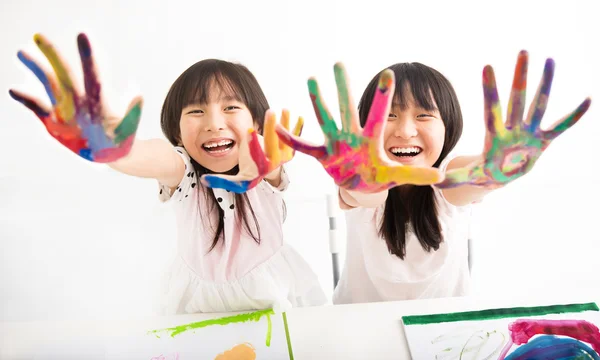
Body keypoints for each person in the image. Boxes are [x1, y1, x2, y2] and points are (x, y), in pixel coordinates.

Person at [9, 33, 327, 314]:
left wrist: (260, 162)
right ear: (177, 134)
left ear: (258, 123)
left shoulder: (267, 163)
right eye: (196, 111)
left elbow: (262, 160)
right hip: (199, 305)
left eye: (230, 108)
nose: (214, 123)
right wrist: (117, 149)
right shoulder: (184, 171)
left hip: (275, 294)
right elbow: (154, 157)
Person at [275, 52, 591, 304]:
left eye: (424, 115)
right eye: (389, 115)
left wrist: (493, 175)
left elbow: (468, 179)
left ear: (448, 125)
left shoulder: (448, 176)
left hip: (444, 331)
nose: (405, 130)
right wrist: (361, 184)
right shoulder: (360, 179)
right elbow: (366, 195)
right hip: (359, 331)